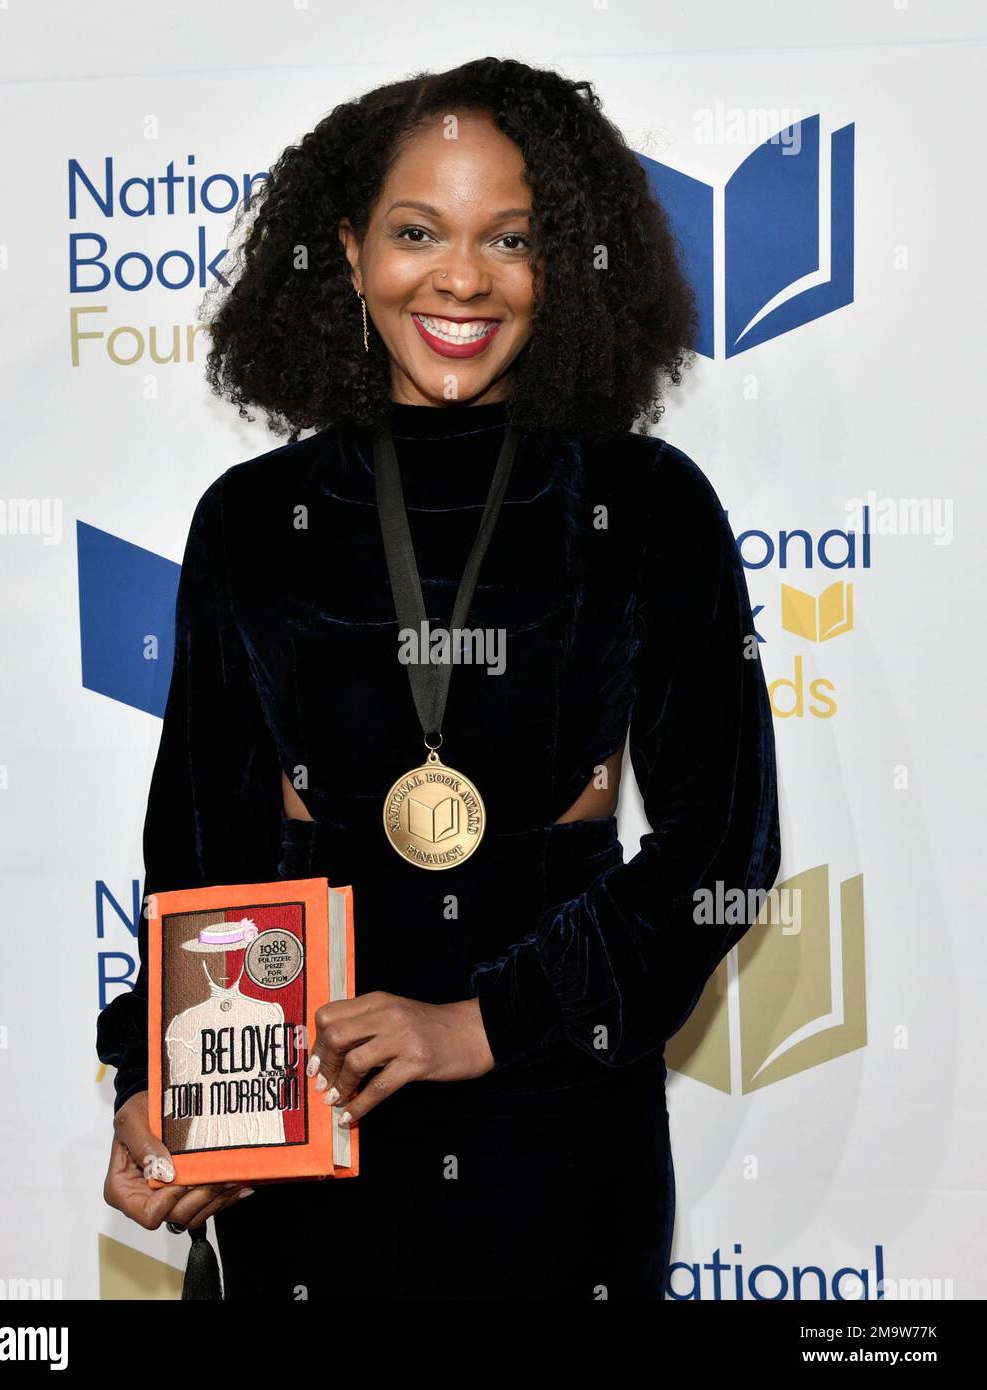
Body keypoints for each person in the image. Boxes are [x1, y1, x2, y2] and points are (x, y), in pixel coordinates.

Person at [97, 55, 781, 1301]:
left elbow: (719, 850)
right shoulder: (256, 518)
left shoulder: (643, 505)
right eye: (417, 232)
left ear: (559, 265)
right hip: (306, 1101)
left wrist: (474, 1024)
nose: (459, 277)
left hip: (556, 1121)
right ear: (350, 252)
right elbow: (203, 848)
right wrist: (165, 1086)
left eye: (506, 238)